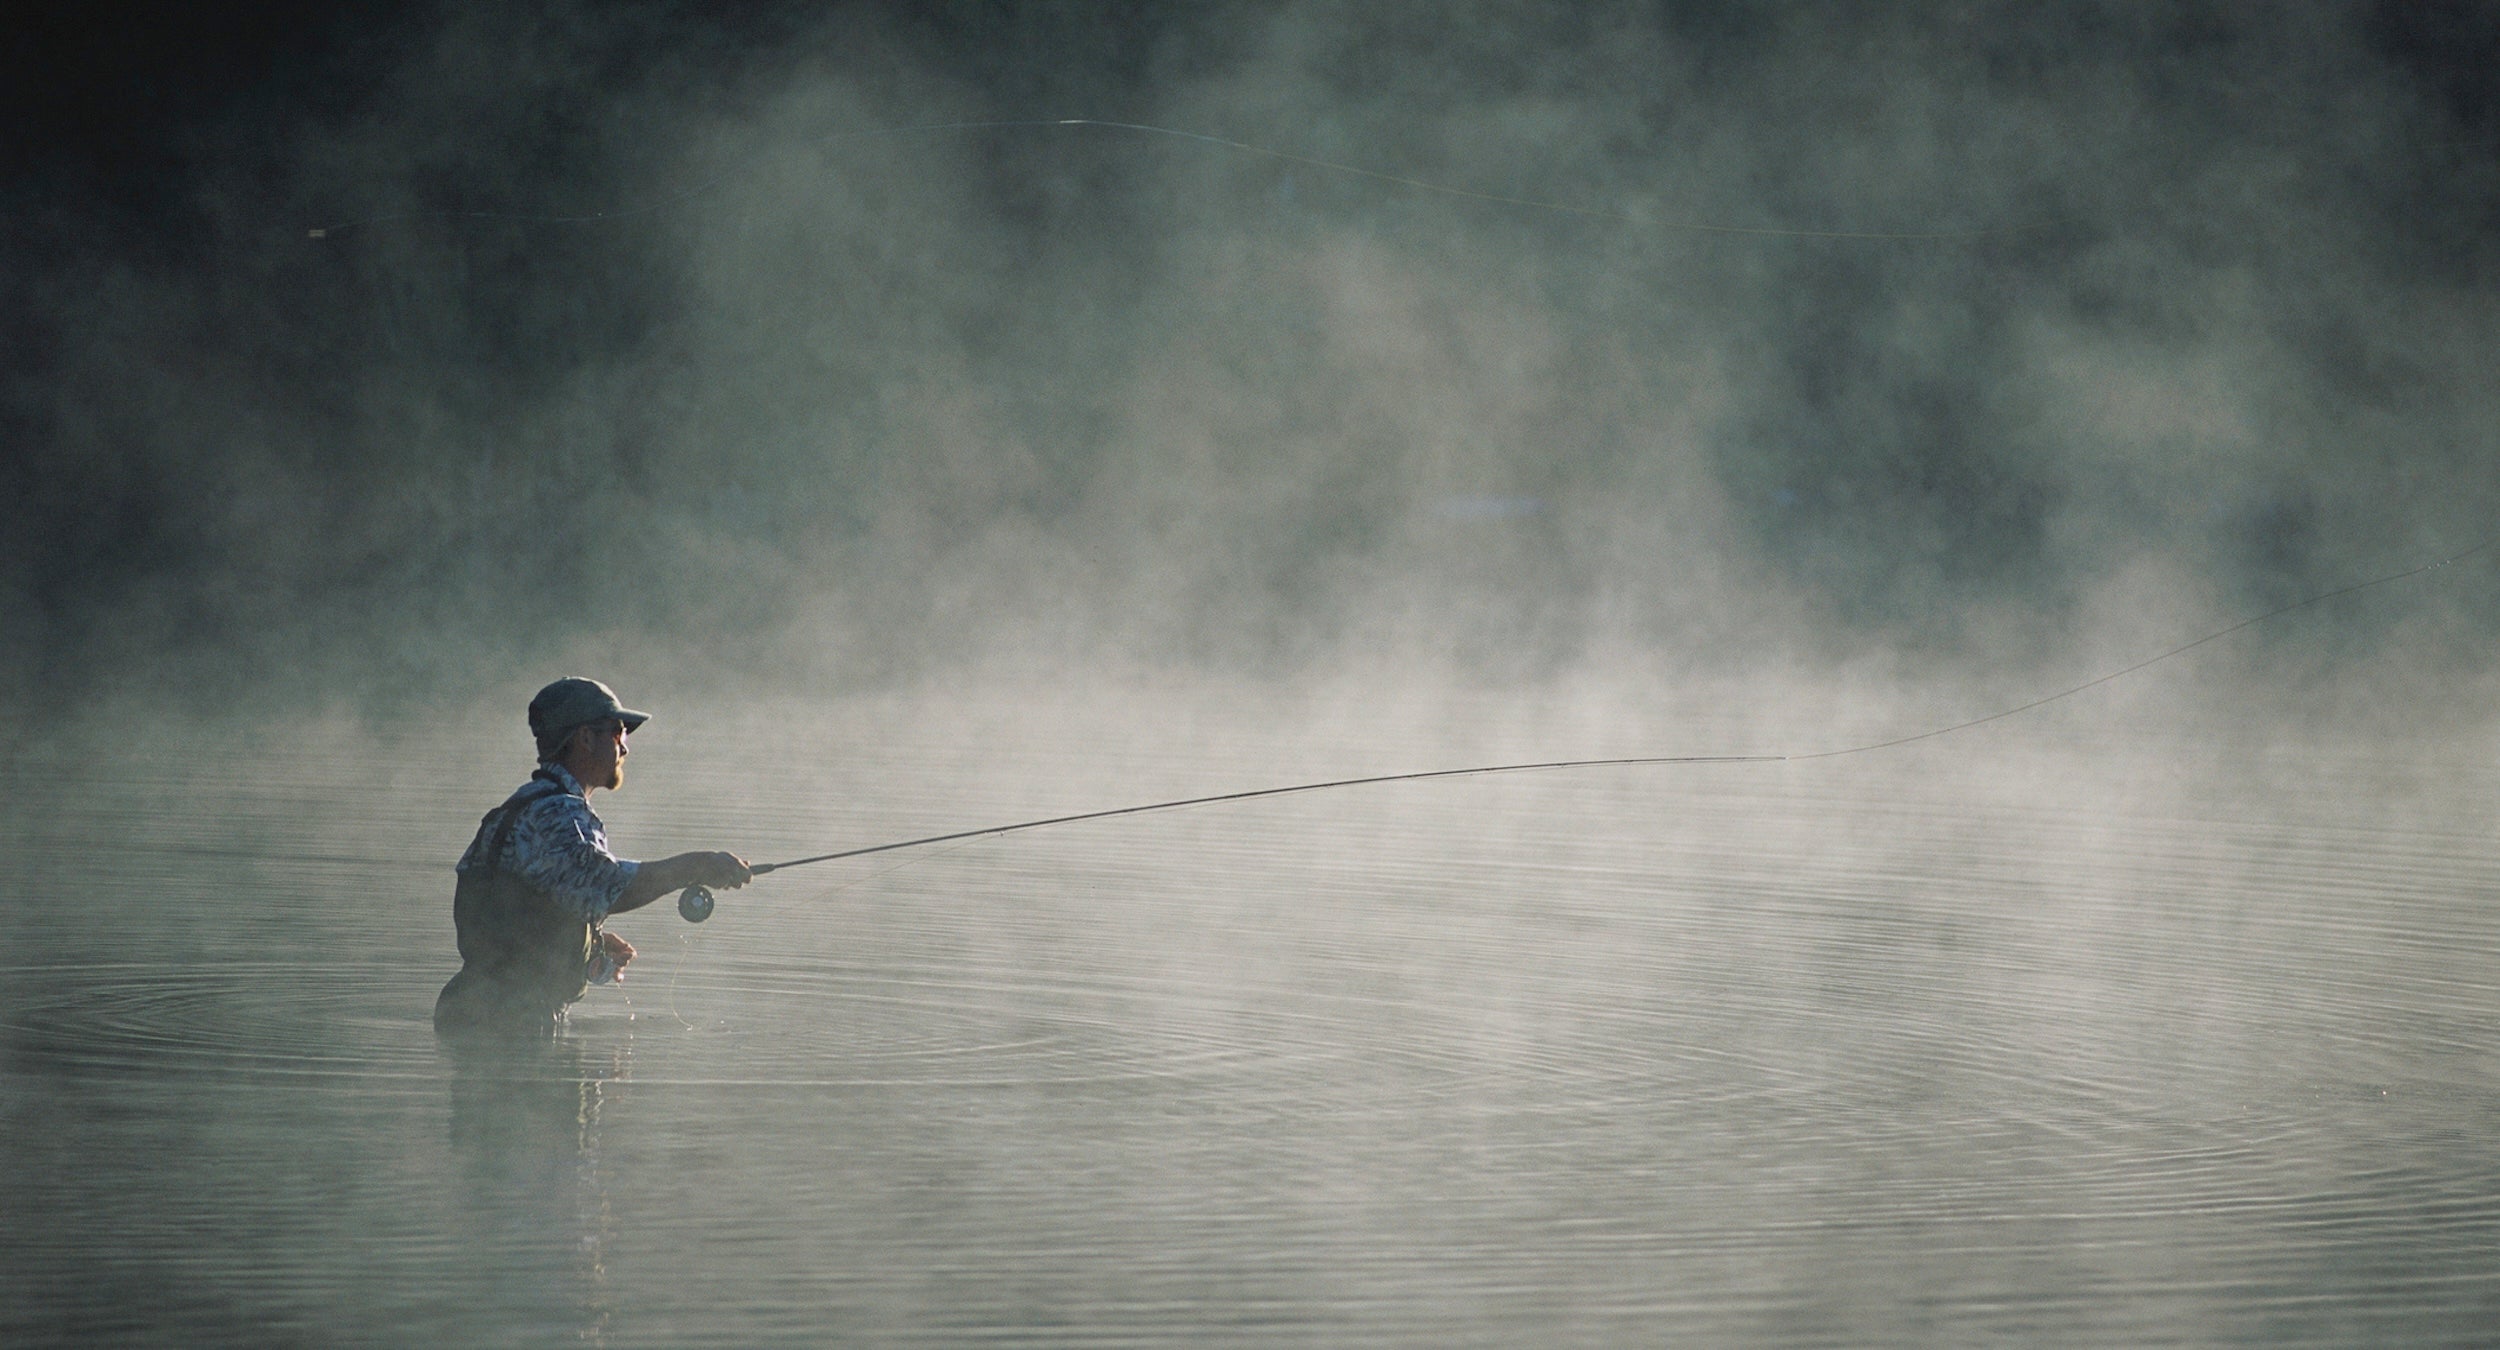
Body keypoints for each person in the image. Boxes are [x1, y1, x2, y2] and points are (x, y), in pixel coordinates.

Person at [434, 677, 752, 1036]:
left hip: (478, 1010)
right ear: (585, 738)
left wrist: (586, 941)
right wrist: (699, 866)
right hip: (511, 1021)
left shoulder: (526, 805)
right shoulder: (556, 814)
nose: (625, 748)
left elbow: (522, 909)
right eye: (618, 733)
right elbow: (606, 884)